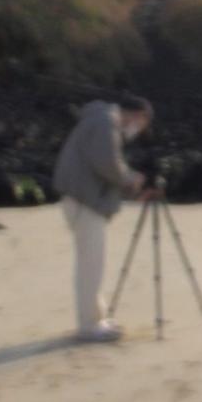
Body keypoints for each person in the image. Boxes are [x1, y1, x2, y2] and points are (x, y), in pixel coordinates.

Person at [53, 95, 155, 342]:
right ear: (137, 115)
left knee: (91, 263)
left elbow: (104, 164)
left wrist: (129, 183)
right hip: (85, 201)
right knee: (91, 265)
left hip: (82, 199)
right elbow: (107, 163)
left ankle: (96, 318)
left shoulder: (100, 120)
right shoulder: (105, 122)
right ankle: (89, 325)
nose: (138, 130)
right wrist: (132, 179)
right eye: (142, 124)